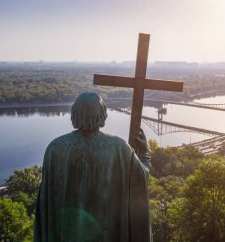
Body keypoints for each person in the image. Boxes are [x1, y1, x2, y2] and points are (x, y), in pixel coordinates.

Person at [34, 92, 151, 242]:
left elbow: (46, 205)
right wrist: (145, 153)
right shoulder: (119, 148)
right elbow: (141, 179)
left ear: (74, 114)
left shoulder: (55, 148)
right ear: (102, 115)